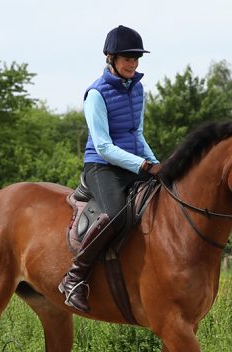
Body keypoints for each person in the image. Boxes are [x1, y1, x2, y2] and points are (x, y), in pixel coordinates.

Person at [58, 25, 162, 313]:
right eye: (128, 58)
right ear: (111, 58)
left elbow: (138, 134)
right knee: (116, 213)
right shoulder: (96, 94)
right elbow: (103, 146)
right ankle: (74, 277)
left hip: (131, 162)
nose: (133, 63)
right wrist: (142, 164)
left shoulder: (138, 89)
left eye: (136, 58)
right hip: (101, 166)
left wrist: (157, 165)